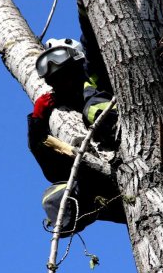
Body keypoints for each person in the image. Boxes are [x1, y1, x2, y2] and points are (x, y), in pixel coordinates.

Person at [29, 36, 124, 237]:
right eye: (55, 78)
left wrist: (85, 9)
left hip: (127, 151)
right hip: (108, 191)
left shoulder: (99, 80)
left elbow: (94, 46)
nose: (61, 81)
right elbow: (52, 170)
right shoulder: (58, 113)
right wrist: (37, 121)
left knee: (93, 109)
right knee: (52, 197)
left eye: (64, 73)